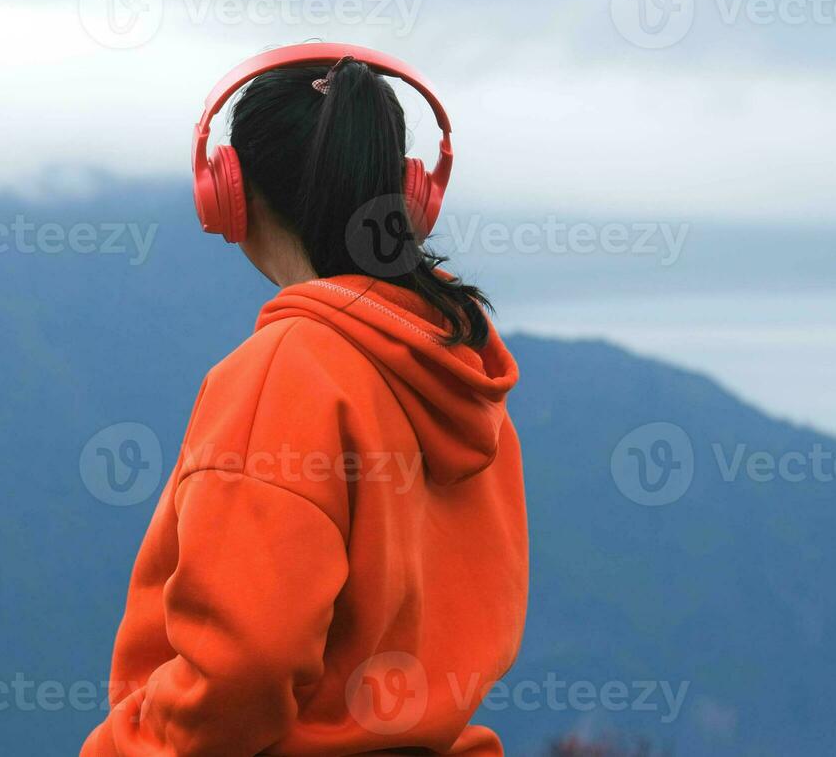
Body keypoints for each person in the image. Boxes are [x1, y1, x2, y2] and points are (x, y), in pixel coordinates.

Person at [81, 52, 528, 756]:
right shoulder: (459, 369)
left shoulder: (285, 373)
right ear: (411, 195)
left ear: (226, 191)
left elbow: (241, 668)